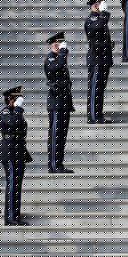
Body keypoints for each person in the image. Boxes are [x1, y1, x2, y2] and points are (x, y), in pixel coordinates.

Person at [0, 86, 32, 226]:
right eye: (17, 99)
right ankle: (10, 218)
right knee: (12, 185)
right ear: (10, 100)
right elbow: (13, 123)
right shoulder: (6, 112)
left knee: (17, 185)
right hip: (9, 152)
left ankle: (15, 216)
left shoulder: (16, 112)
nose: (19, 101)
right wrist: (17, 109)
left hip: (18, 151)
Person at [45, 32, 74, 174]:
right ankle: (53, 165)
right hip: (55, 103)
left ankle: (59, 163)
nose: (58, 46)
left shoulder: (58, 58)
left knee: (62, 135)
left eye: (60, 43)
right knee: (55, 135)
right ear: (51, 45)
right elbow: (58, 66)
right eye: (56, 44)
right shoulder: (50, 59)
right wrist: (63, 51)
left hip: (63, 102)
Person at [85, 0, 114, 124]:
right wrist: (104, 13)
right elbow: (99, 27)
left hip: (103, 59)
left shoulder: (99, 19)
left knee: (100, 89)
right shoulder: (92, 19)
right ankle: (92, 116)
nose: (101, 5)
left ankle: (98, 114)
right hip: (96, 60)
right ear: (94, 5)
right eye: (99, 3)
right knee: (94, 89)